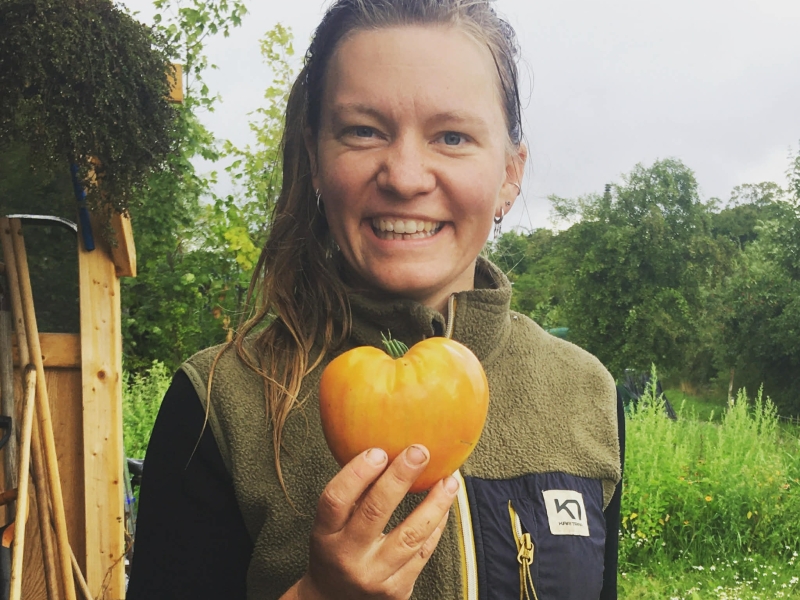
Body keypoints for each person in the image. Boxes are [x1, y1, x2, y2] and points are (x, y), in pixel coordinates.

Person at [127, 0, 624, 598]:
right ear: (315, 158)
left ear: (511, 174)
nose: (406, 175)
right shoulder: (217, 403)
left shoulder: (584, 393)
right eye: (363, 131)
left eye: (452, 136)